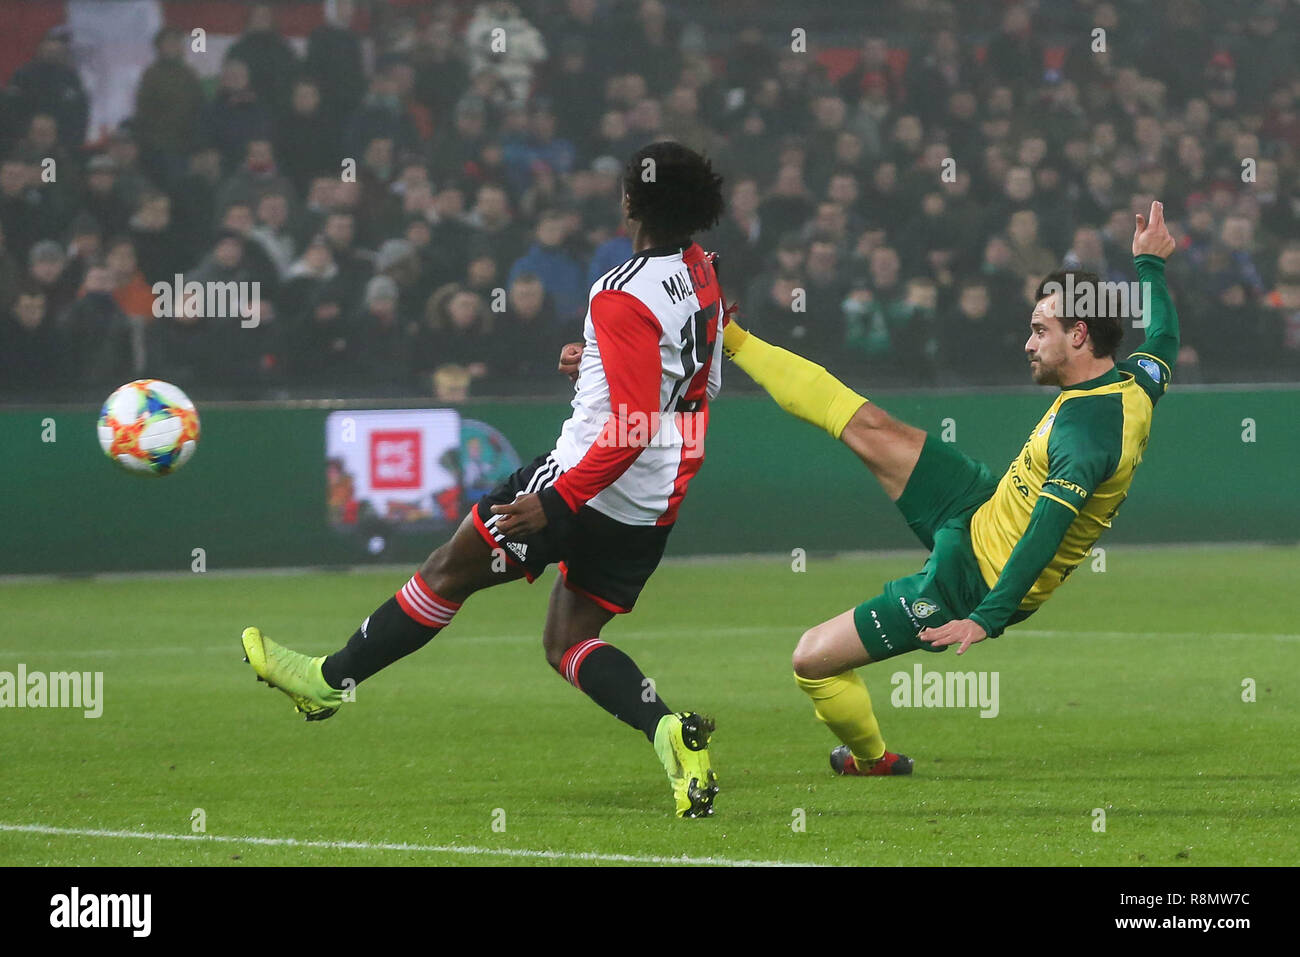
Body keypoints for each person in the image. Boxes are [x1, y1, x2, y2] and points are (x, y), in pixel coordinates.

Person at [241, 142, 728, 818]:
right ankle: (668, 731)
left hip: (584, 480)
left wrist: (556, 499)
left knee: (448, 570)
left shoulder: (621, 291)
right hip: (651, 501)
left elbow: (634, 422)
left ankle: (328, 680)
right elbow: (688, 379)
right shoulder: (703, 273)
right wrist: (595, 362)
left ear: (631, 202)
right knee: (567, 642)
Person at [719, 200, 1179, 777]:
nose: (1028, 344)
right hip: (979, 504)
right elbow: (1163, 337)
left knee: (811, 660)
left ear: (1079, 334)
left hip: (970, 581)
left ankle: (872, 760)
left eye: (1039, 331)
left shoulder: (1087, 437)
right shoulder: (1136, 380)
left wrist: (986, 618)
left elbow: (1045, 534)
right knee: (867, 424)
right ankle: (727, 333)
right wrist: (1149, 265)